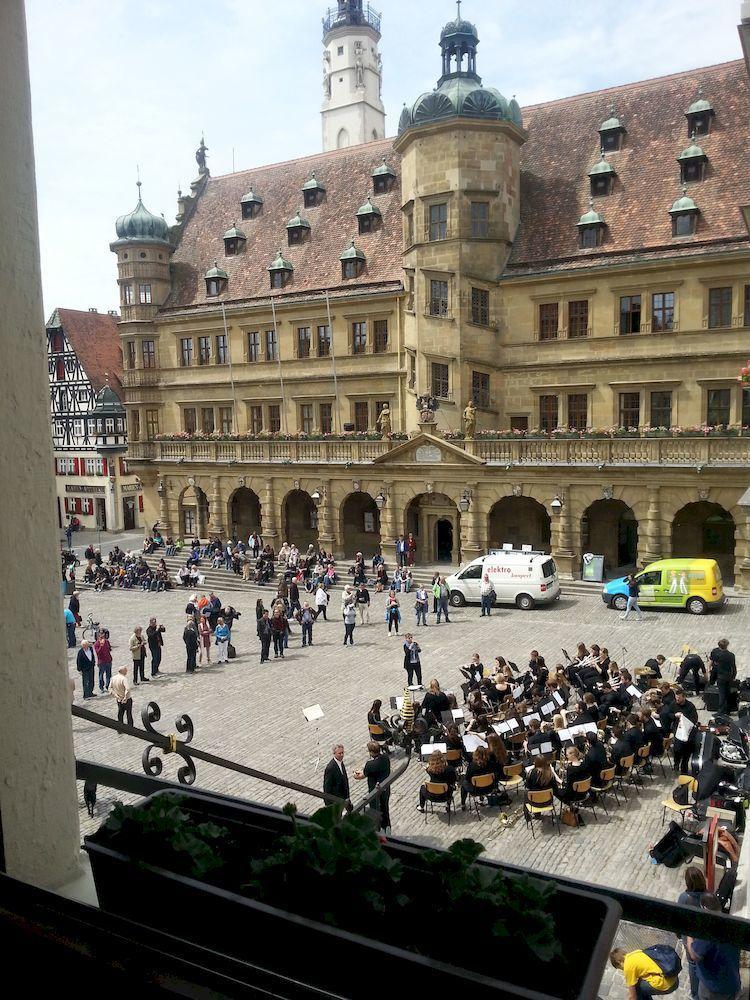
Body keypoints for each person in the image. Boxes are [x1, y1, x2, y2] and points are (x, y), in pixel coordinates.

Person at [686, 893, 741, 1000]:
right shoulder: (732, 923)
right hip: (732, 982)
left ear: (704, 908)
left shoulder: (709, 931)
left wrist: (689, 933)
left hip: (714, 987)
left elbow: (694, 955)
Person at [677, 866, 708, 1000]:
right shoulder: (708, 896)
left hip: (689, 937)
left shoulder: (684, 898)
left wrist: (678, 933)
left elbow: (678, 917)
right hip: (704, 936)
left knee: (693, 964)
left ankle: (695, 994)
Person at [609, 947, 679, 999]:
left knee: (636, 989)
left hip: (667, 985)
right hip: (673, 978)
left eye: (620, 968)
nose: (622, 970)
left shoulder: (628, 967)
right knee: (640, 984)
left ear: (619, 962)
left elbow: (633, 996)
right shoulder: (636, 952)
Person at [353, 741, 391, 831]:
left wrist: (355, 774)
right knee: (385, 809)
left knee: (375, 811)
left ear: (370, 752)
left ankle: (378, 829)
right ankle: (387, 827)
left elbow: (362, 775)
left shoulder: (370, 765)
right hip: (385, 789)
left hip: (375, 792)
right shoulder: (385, 758)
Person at [709, 639, 736, 717]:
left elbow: (715, 668)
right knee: (728, 693)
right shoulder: (731, 655)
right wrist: (733, 676)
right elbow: (733, 667)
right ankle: (728, 711)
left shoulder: (718, 656)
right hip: (729, 677)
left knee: (722, 695)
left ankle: (720, 712)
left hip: (721, 677)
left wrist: (712, 679)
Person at [109, 666, 134, 730]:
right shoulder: (123, 679)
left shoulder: (113, 678)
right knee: (129, 714)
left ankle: (120, 728)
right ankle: (130, 728)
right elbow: (127, 689)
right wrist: (125, 697)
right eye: (126, 670)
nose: (126, 672)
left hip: (119, 699)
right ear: (123, 671)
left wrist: (116, 695)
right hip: (127, 700)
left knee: (120, 713)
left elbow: (110, 688)